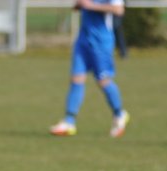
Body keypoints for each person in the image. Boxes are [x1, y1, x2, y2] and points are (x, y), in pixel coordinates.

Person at [50, 0, 129, 137]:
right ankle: (69, 122)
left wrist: (90, 5)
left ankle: (119, 114)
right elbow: (79, 7)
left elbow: (118, 10)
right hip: (83, 40)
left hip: (101, 42)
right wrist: (79, 5)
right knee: (76, 79)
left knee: (103, 80)